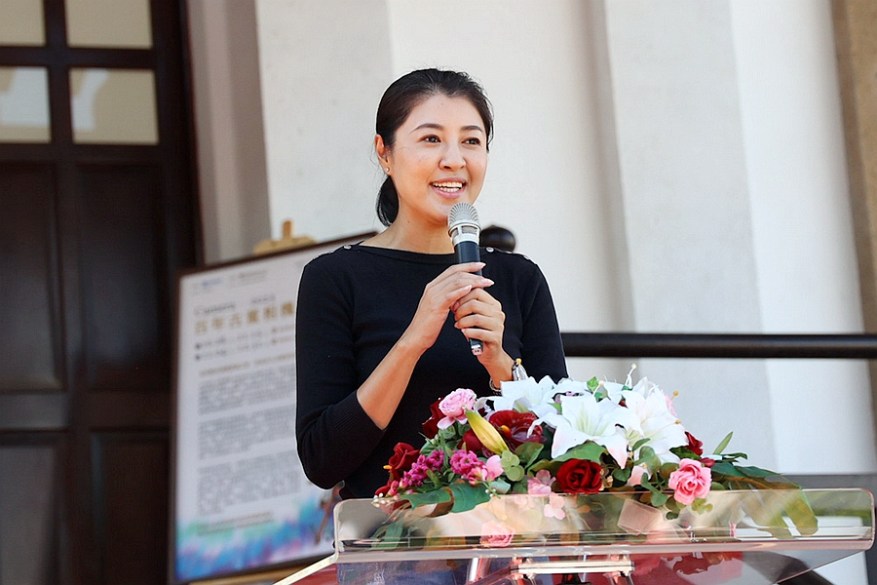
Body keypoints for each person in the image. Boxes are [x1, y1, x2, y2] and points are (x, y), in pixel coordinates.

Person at [295, 68, 568, 500]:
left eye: (471, 141)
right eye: (431, 139)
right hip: (391, 535)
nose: (454, 160)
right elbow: (322, 460)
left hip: (506, 533)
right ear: (384, 153)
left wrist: (500, 364)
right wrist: (412, 342)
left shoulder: (520, 279)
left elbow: (563, 450)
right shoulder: (335, 278)